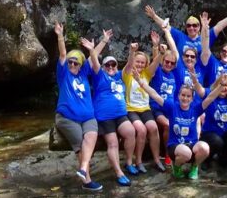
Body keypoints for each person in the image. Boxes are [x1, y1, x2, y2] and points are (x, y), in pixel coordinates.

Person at [52, 21, 102, 191]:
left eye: (76, 63)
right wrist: (60, 35)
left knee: (91, 135)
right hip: (67, 118)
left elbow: (94, 59)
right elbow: (63, 54)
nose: (72, 64)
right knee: (81, 144)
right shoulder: (64, 74)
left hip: (88, 117)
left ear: (80, 65)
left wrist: (99, 44)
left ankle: (82, 168)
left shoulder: (83, 74)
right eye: (70, 62)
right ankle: (87, 181)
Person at [82, 29, 136, 187]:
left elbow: (130, 65)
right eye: (108, 64)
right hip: (104, 117)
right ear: (104, 66)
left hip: (120, 115)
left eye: (113, 64)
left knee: (130, 132)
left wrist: (132, 51)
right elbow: (94, 61)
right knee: (112, 143)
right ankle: (119, 172)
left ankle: (129, 162)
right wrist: (96, 47)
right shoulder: (100, 75)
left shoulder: (120, 76)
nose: (111, 66)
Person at [141, 83, 208, 180]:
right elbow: (154, 95)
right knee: (186, 153)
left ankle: (194, 167)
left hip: (191, 144)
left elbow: (209, 98)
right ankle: (176, 167)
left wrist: (221, 87)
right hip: (175, 146)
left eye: (188, 96)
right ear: (178, 96)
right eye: (183, 95)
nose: (185, 98)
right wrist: (140, 82)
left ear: (192, 98)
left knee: (205, 148)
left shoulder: (196, 109)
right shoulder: (172, 106)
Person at [122, 33, 165, 173]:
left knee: (153, 128)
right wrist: (132, 52)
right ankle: (138, 161)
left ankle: (157, 159)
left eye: (142, 62)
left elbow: (156, 62)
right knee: (141, 130)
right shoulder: (127, 74)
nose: (139, 64)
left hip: (145, 109)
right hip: (131, 109)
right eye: (137, 61)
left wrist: (160, 51)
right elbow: (129, 65)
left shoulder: (146, 74)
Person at [145, 4, 227, 59]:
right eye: (189, 25)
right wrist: (154, 16)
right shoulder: (180, 36)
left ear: (199, 27)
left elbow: (218, 26)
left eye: (195, 25)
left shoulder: (205, 37)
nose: (191, 28)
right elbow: (166, 26)